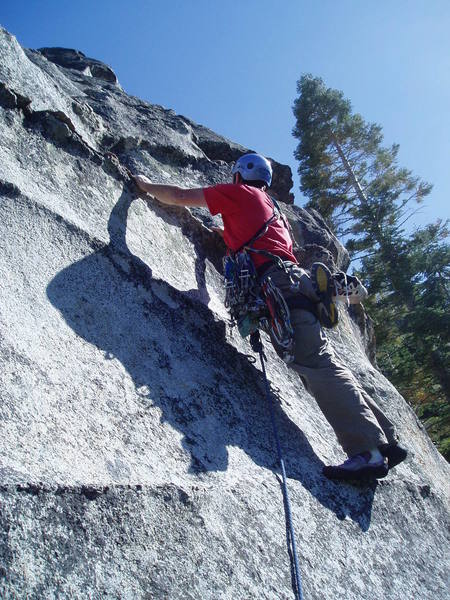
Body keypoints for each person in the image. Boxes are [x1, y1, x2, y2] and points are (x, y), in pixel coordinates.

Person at [132, 153, 407, 481]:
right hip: (293, 284)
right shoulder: (273, 209)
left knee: (317, 364)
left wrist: (145, 185)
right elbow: (252, 240)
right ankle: (386, 441)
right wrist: (227, 235)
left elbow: (179, 196)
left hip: (278, 287)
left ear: (239, 175)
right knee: (320, 363)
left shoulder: (238, 194)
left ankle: (369, 452)